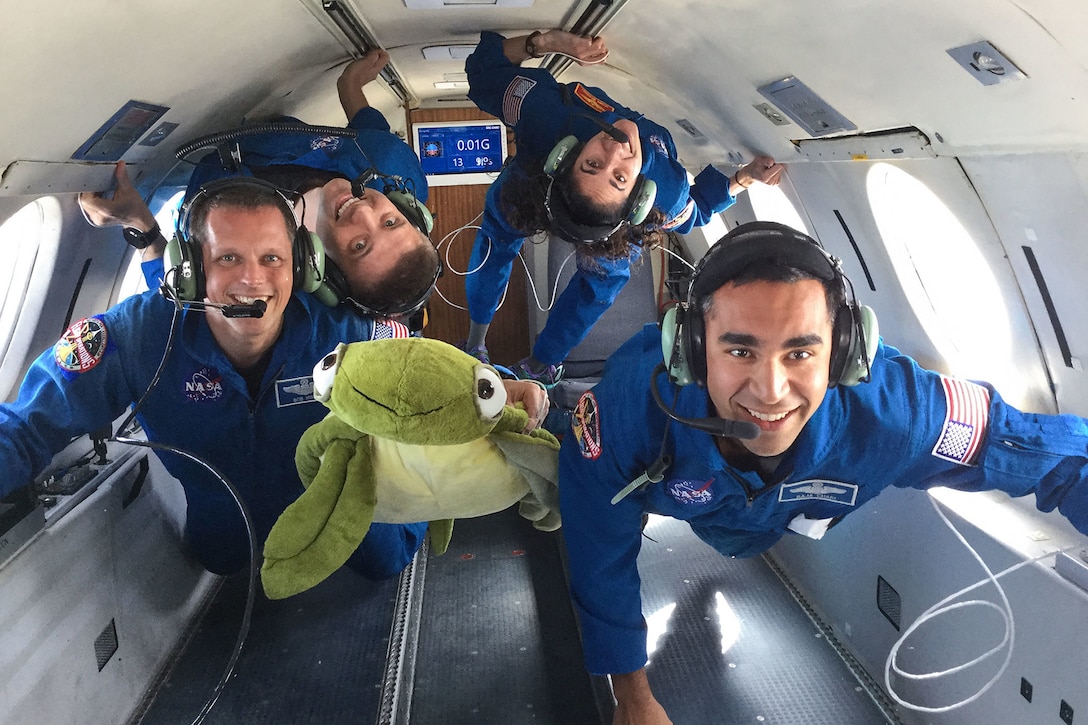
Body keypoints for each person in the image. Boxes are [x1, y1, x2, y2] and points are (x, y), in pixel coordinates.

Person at [557, 221, 1088, 723]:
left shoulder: (896, 412)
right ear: (690, 351)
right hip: (697, 508)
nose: (769, 391)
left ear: (844, 353)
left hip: (775, 520)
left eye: (800, 352)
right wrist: (632, 694)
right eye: (740, 349)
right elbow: (597, 546)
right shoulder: (632, 407)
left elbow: (1053, 457)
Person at [0, 178, 431, 577]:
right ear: (191, 271)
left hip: (336, 521)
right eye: (228, 258)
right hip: (225, 543)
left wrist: (499, 383)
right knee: (222, 563)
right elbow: (25, 428)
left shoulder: (343, 335)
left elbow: (437, 378)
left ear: (300, 266)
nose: (252, 278)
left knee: (385, 560)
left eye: (272, 258)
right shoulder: (136, 337)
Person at [461, 29, 785, 385]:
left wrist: (553, 43)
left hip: (559, 188)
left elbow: (483, 73)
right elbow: (696, 213)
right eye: (615, 176)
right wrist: (743, 177)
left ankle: (542, 364)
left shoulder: (547, 116)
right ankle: (476, 342)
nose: (615, 150)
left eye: (593, 165)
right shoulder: (662, 187)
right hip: (530, 188)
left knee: (596, 285)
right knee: (498, 243)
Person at [80, 49, 440, 320]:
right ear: (407, 209)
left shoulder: (258, 272)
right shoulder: (393, 167)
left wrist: (137, 222)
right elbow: (369, 128)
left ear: (320, 270)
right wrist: (348, 84)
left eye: (360, 245)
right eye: (391, 222)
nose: (363, 213)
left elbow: (184, 291)